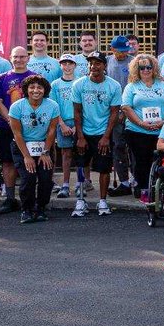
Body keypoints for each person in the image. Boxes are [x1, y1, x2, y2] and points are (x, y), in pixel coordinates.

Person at [71, 52, 123, 217]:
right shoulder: (79, 84)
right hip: (84, 132)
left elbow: (114, 113)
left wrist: (106, 137)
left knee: (104, 168)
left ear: (104, 65)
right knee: (80, 164)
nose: (94, 66)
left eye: (98, 63)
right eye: (91, 63)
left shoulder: (113, 86)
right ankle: (80, 200)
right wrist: (80, 137)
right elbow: (77, 112)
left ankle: (102, 201)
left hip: (103, 132)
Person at [121, 54, 164, 202]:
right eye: (142, 67)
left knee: (160, 162)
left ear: (154, 68)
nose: (146, 70)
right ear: (137, 70)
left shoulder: (163, 85)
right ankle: (145, 191)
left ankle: (159, 191)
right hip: (137, 130)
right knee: (142, 161)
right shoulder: (131, 86)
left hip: (161, 131)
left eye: (149, 67)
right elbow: (126, 107)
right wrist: (140, 123)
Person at [7, 75, 60, 223]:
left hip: (44, 145)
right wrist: (27, 156)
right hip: (22, 146)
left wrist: (45, 152)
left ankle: (41, 208)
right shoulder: (17, 107)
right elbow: (17, 133)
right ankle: (26, 209)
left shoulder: (52, 106)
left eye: (39, 87)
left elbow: (52, 130)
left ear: (45, 90)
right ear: (26, 90)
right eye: (32, 87)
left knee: (45, 178)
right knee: (28, 178)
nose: (35, 90)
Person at [0, 47, 36, 214]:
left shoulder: (34, 78)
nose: (19, 59)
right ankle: (10, 198)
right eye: (15, 57)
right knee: (8, 162)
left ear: (28, 58)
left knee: (31, 162)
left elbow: (40, 100)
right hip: (6, 126)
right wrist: (11, 120)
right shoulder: (2, 78)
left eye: (22, 56)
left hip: (30, 128)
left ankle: (30, 198)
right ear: (10, 58)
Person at [106, 36, 137, 194]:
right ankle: (124, 181)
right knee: (118, 146)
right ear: (113, 49)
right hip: (114, 111)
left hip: (132, 110)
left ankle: (137, 179)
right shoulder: (106, 62)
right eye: (120, 51)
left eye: (126, 51)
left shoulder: (134, 62)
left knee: (134, 146)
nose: (124, 54)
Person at [49, 54, 80, 198]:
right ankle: (66, 184)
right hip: (63, 122)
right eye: (64, 64)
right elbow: (54, 107)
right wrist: (61, 125)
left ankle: (82, 183)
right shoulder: (55, 84)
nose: (67, 67)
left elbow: (83, 106)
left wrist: (77, 126)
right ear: (60, 66)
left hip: (78, 121)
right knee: (66, 153)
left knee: (82, 153)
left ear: (75, 65)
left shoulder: (80, 82)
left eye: (70, 64)